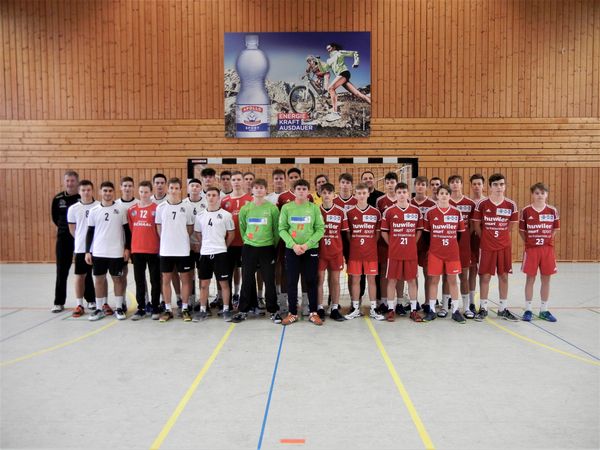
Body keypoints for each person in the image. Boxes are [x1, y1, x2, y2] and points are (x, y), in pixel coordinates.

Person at [472, 173, 519, 322]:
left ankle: (502, 309)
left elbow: (510, 226)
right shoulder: (482, 204)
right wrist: (487, 238)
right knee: (485, 276)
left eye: (502, 184)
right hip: (487, 246)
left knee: (504, 276)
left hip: (504, 246)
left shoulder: (511, 205)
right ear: (490, 187)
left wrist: (500, 237)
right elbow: (476, 226)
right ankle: (483, 308)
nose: (499, 187)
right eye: (496, 185)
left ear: (505, 186)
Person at [232, 179, 281, 323]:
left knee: (269, 280)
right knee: (247, 280)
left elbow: (276, 230)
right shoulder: (246, 209)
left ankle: (273, 311)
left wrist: (271, 245)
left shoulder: (272, 208)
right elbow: (243, 228)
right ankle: (243, 310)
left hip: (267, 248)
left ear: (265, 190)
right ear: (252, 190)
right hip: (249, 248)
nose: (259, 190)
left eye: (261, 187)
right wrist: (249, 241)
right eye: (256, 188)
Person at [278, 179, 325, 326]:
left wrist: (306, 245)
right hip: (292, 250)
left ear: (308, 192)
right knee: (292, 281)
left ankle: (313, 313)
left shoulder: (314, 208)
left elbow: (320, 229)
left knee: (311, 280)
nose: (301, 191)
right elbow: (282, 229)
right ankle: (292, 313)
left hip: (310, 249)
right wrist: (293, 245)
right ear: (294, 191)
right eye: (299, 189)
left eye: (304, 189)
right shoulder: (286, 208)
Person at [85, 181, 131, 321]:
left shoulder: (121, 209)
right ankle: (99, 309)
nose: (107, 193)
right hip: (99, 252)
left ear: (113, 192)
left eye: (110, 191)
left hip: (116, 252)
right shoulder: (94, 211)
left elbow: (127, 231)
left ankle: (119, 308)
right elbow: (90, 232)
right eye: (105, 190)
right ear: (100, 192)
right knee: (99, 280)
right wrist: (87, 251)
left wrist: (127, 248)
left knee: (117, 280)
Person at [423, 184, 467, 323]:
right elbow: (426, 234)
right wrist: (436, 245)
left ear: (449, 195)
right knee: (434, 281)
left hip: (452, 253)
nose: (443, 196)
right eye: (441, 193)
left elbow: (459, 234)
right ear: (437, 195)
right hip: (435, 253)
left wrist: (449, 244)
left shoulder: (456, 212)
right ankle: (431, 310)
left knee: (452, 280)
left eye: (446, 193)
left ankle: (455, 310)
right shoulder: (430, 212)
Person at [380, 182, 423, 322]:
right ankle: (391, 309)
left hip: (410, 253)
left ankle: (414, 310)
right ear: (396, 194)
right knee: (392, 280)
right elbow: (384, 232)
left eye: (404, 192)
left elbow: (419, 230)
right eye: (399, 192)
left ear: (408, 194)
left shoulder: (415, 211)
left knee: (411, 280)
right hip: (395, 253)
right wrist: (392, 244)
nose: (402, 195)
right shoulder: (389, 211)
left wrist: (412, 243)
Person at [192, 187, 235, 322]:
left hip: (220, 253)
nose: (211, 197)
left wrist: (223, 246)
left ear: (218, 197)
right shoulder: (200, 216)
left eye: (214, 195)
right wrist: (205, 245)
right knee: (204, 284)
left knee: (224, 284)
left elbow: (231, 234)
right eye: (209, 195)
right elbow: (198, 233)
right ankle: (203, 310)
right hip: (205, 254)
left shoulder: (226, 215)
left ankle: (226, 309)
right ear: (206, 197)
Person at [155, 178, 195, 322]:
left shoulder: (187, 207)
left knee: (185, 279)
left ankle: (184, 308)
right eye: (171, 188)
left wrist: (180, 239)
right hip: (166, 250)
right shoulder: (160, 207)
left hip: (183, 250)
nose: (173, 191)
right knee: (166, 279)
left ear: (180, 190)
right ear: (167, 189)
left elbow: (190, 229)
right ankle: (167, 309)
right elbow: (159, 228)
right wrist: (168, 240)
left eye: (176, 188)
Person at [519, 183, 560, 322]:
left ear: (546, 194)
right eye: (537, 193)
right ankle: (528, 309)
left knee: (546, 279)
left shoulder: (552, 211)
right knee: (530, 279)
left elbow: (555, 229)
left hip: (547, 249)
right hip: (532, 250)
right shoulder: (526, 211)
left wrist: (547, 240)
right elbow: (521, 231)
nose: (540, 195)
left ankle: (544, 310)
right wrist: (529, 242)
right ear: (532, 194)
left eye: (542, 193)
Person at [344, 183, 385, 321]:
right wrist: (357, 244)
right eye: (359, 193)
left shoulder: (376, 213)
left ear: (368, 194)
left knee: (371, 280)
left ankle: (373, 308)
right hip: (355, 253)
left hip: (371, 253)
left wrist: (369, 244)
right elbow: (348, 235)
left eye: (364, 193)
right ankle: (356, 308)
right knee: (355, 279)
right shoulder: (349, 213)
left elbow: (377, 234)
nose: (361, 196)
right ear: (355, 195)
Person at [51, 170, 88, 312]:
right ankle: (58, 302)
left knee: (84, 270)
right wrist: (65, 230)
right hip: (64, 239)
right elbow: (55, 218)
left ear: (77, 182)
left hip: (81, 239)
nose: (70, 183)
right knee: (62, 270)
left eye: (72, 181)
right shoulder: (58, 199)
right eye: (67, 180)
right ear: (64, 182)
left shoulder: (82, 197)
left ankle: (90, 300)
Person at [128, 181, 161, 320]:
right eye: (141, 192)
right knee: (139, 280)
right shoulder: (131, 210)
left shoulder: (157, 208)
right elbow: (132, 229)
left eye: (146, 192)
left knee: (155, 280)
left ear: (151, 192)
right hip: (137, 250)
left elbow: (159, 229)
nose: (143, 194)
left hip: (153, 250)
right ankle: (141, 307)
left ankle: (155, 307)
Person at [221, 171, 254, 311]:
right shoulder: (224, 201)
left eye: (238, 179)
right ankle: (227, 304)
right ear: (231, 182)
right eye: (233, 179)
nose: (236, 182)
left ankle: (250, 304)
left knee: (248, 274)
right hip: (229, 244)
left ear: (243, 181)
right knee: (227, 274)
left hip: (247, 243)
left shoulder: (251, 200)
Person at [66, 180, 99, 317]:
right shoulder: (73, 209)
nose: (86, 192)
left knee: (99, 276)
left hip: (98, 248)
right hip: (81, 248)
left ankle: (100, 303)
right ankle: (79, 304)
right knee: (80, 276)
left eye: (88, 190)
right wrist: (83, 242)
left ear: (92, 191)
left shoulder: (99, 206)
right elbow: (72, 230)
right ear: (79, 192)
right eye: (83, 190)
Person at [446, 175, 477, 318]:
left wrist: (463, 235)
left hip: (464, 245)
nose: (455, 184)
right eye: (452, 182)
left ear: (462, 184)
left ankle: (466, 307)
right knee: (447, 277)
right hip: (448, 244)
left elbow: (472, 224)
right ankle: (446, 305)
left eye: (457, 182)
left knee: (464, 276)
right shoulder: (445, 201)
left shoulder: (470, 203)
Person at [317, 183, 348, 322]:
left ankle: (334, 308)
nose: (327, 195)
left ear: (334, 195)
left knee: (335, 280)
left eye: (329, 193)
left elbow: (345, 234)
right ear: (320, 194)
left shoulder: (340, 211)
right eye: (324, 192)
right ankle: (319, 308)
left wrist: (345, 253)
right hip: (320, 252)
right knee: (320, 280)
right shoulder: (316, 210)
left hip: (336, 252)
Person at [324, 42, 371, 122]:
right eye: (327, 49)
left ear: (334, 47)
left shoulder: (339, 53)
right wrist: (317, 63)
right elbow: (324, 69)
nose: (328, 50)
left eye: (329, 48)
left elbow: (355, 53)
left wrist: (356, 62)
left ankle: (335, 113)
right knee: (358, 94)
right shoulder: (329, 60)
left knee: (331, 88)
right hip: (340, 77)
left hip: (344, 73)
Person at [411, 176, 436, 312]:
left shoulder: (432, 204)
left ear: (427, 187)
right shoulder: (408, 203)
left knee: (428, 274)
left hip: (427, 245)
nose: (420, 187)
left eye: (423, 184)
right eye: (418, 184)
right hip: (411, 245)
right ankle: (414, 302)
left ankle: (427, 302)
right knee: (412, 275)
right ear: (414, 186)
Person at [375, 172, 399, 313]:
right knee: (384, 270)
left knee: (399, 272)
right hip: (385, 243)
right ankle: (384, 301)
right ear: (385, 184)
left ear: (396, 183)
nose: (390, 185)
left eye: (392, 182)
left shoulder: (404, 199)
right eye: (388, 182)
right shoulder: (380, 201)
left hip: (400, 243)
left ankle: (399, 302)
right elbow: (379, 222)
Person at [184, 178, 205, 309]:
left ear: (201, 189)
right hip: (187, 246)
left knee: (203, 275)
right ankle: (191, 300)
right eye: (192, 185)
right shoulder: (183, 204)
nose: (195, 188)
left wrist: (201, 243)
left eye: (197, 186)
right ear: (188, 188)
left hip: (203, 246)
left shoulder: (206, 203)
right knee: (189, 275)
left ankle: (203, 301)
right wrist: (189, 243)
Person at [468, 173, 486, 310]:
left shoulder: (487, 202)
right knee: (472, 270)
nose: (476, 186)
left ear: (483, 186)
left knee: (484, 272)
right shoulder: (468, 203)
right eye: (474, 184)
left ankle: (483, 303)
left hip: (484, 240)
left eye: (479, 184)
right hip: (471, 239)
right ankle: (471, 302)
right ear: (471, 186)